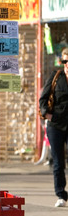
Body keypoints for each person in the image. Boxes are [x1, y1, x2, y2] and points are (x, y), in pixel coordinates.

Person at [39, 47, 68, 207]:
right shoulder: (56, 77)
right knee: (58, 162)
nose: (67, 64)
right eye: (65, 61)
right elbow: (43, 99)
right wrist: (47, 115)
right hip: (56, 125)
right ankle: (61, 195)